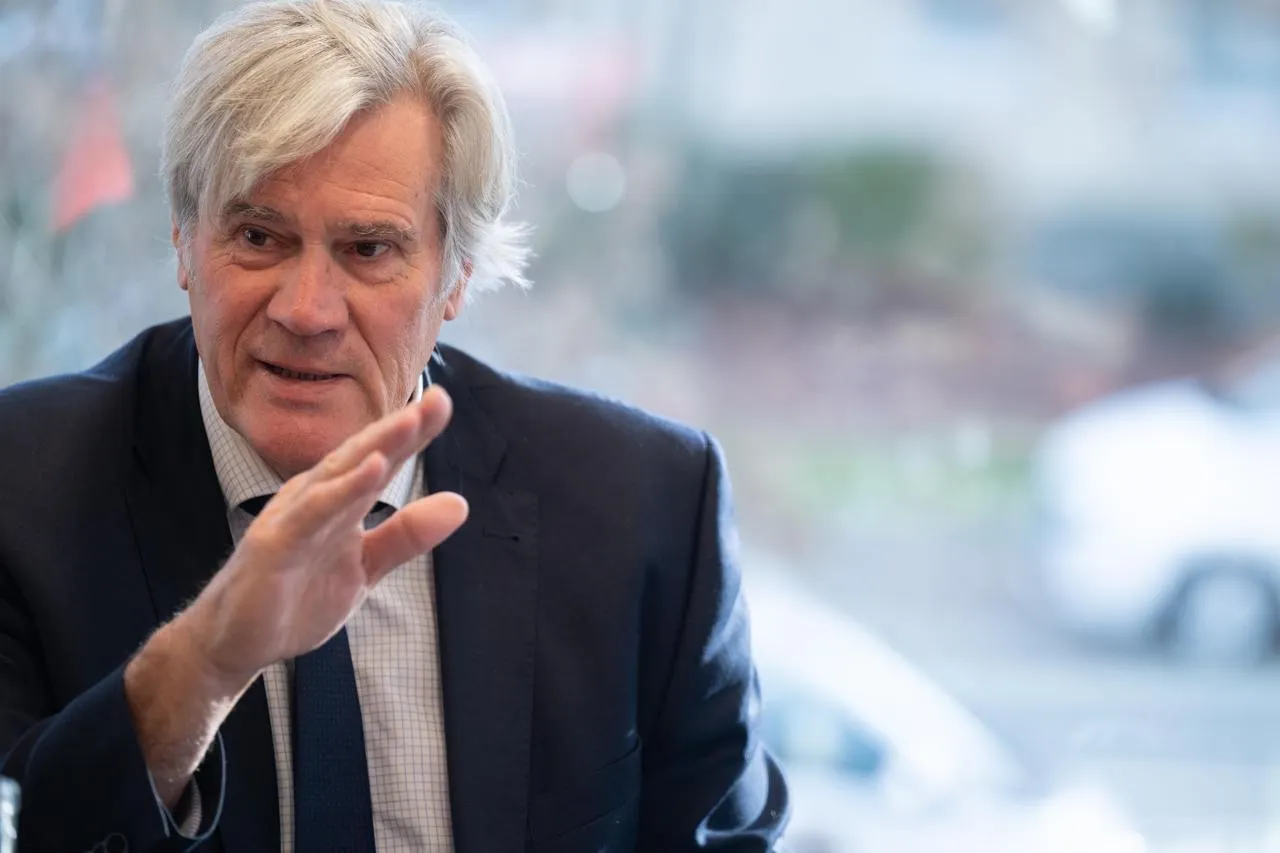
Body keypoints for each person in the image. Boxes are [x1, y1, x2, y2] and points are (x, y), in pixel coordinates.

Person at [0, 1, 789, 851]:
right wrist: (204, 661)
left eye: (368, 249)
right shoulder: (19, 490)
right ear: (185, 240)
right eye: (259, 236)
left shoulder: (648, 509)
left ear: (457, 273)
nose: (306, 310)